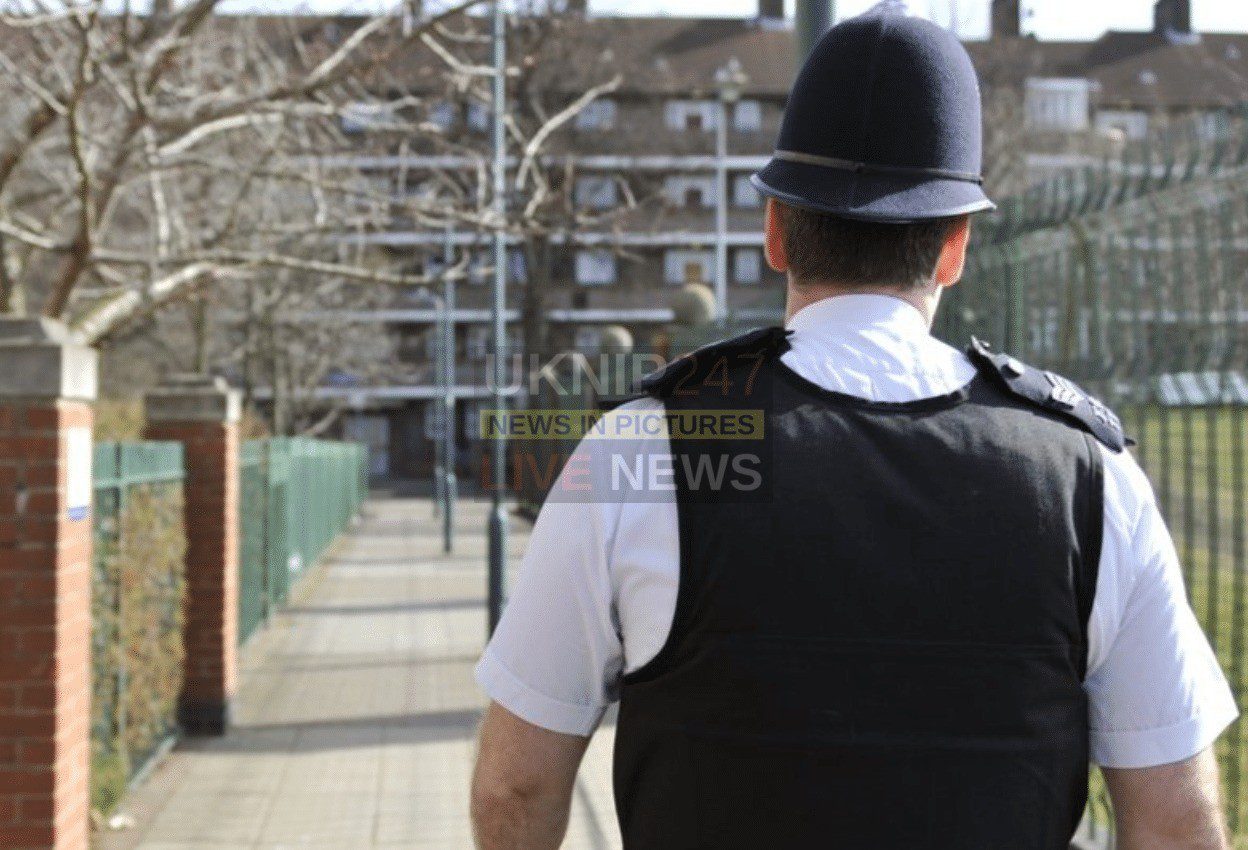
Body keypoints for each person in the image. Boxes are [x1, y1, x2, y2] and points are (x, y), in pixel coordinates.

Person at [470, 9, 1238, 850]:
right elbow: (1176, 825)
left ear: (774, 231)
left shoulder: (639, 450)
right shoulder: (1091, 476)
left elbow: (515, 790)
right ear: (955, 247)